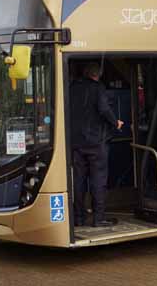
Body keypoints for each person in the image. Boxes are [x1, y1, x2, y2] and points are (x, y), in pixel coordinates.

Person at [70, 62, 123, 227]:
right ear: (97, 74)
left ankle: (78, 217)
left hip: (76, 142)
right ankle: (99, 218)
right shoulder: (98, 87)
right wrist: (116, 123)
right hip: (96, 142)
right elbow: (104, 109)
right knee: (98, 180)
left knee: (78, 180)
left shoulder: (72, 87)